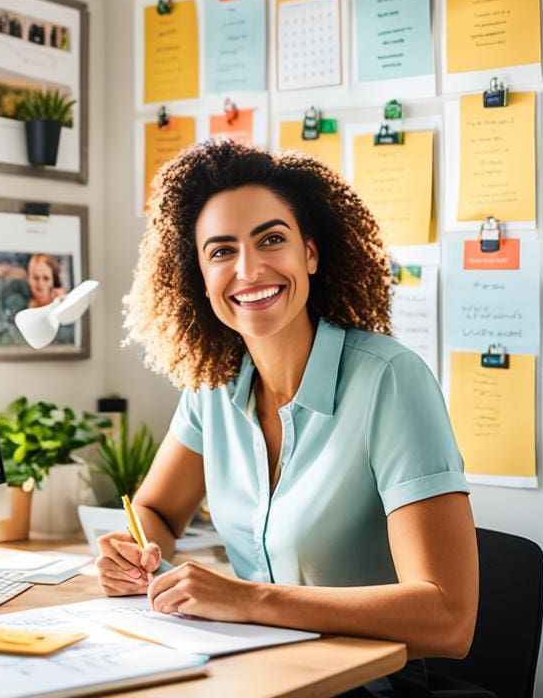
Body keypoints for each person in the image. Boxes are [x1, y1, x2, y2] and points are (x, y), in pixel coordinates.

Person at [95, 139, 479, 698]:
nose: (249, 269)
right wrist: (134, 553)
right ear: (199, 279)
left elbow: (449, 619)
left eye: (271, 239)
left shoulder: (390, 380)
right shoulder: (214, 389)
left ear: (311, 254)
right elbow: (154, 510)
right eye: (221, 251)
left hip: (366, 687)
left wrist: (247, 601)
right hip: (257, 673)